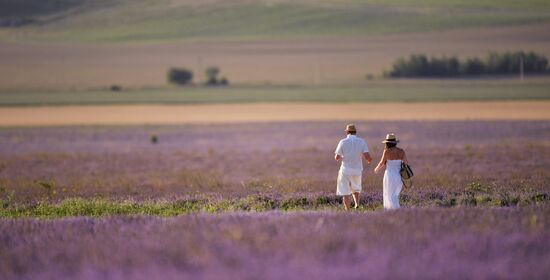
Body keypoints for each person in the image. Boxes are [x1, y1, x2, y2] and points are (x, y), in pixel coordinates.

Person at [334, 124, 372, 211]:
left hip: (345, 170)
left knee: (345, 191)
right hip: (357, 170)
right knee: (356, 188)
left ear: (347, 132)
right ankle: (356, 204)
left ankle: (348, 210)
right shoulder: (362, 141)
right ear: (355, 132)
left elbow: (337, 157)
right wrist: (369, 160)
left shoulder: (342, 142)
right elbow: (367, 157)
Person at [374, 133, 408, 210]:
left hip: (389, 176)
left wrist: (376, 169)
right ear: (395, 142)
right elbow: (406, 163)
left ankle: (393, 211)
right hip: (399, 176)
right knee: (395, 195)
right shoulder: (401, 151)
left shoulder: (387, 151)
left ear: (387, 143)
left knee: (389, 195)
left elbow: (382, 163)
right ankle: (395, 211)